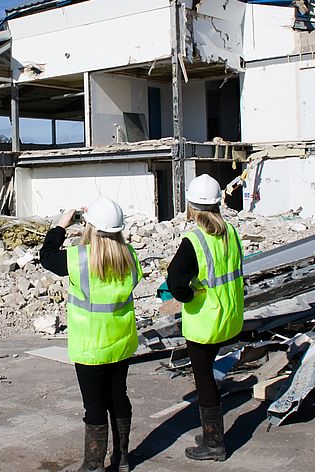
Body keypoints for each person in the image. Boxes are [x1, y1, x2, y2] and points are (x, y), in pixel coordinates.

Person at [40, 196, 143, 472]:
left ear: (89, 226)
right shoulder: (130, 257)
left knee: (94, 406)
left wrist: (62, 223)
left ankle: (94, 465)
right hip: (120, 342)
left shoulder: (78, 259)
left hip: (90, 346)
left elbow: (47, 256)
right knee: (118, 397)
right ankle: (122, 458)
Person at [166, 174, 245, 462]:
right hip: (230, 316)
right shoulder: (232, 232)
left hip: (205, 321)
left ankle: (215, 443)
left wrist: (188, 296)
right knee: (209, 376)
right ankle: (212, 434)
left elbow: (175, 280)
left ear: (191, 206)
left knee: (204, 381)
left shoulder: (194, 239)